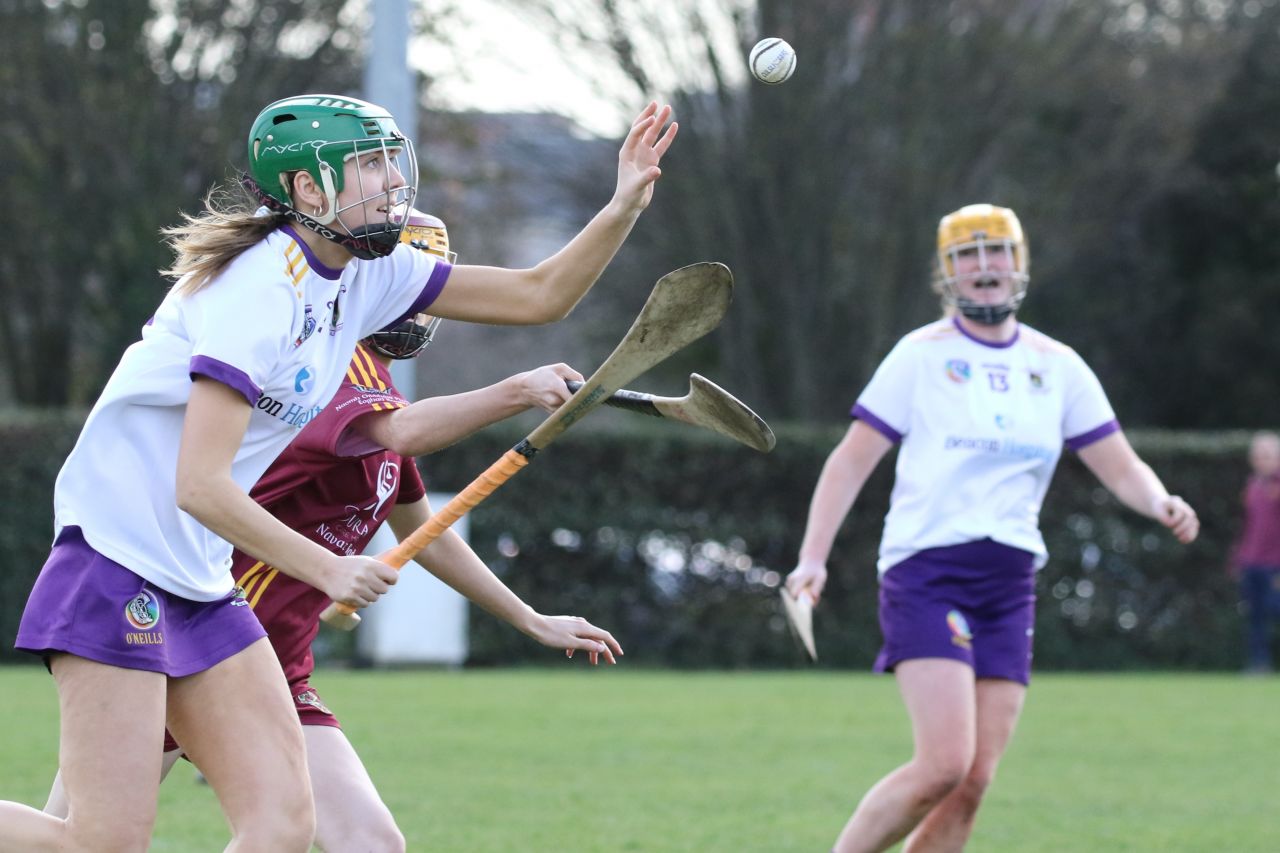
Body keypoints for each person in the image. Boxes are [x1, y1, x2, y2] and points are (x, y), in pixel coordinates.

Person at [2, 93, 675, 852]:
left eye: (392, 162)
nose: (391, 182)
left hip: (200, 577)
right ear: (307, 191)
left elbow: (538, 294)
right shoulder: (255, 290)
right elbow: (200, 483)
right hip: (115, 565)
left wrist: (623, 202)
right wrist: (329, 569)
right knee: (100, 843)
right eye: (367, 167)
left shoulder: (364, 274)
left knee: (284, 826)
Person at [785, 203, 1199, 853]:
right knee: (944, 763)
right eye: (967, 256)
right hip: (928, 572)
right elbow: (851, 460)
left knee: (974, 779)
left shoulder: (1056, 364)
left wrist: (1160, 499)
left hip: (1010, 582)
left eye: (998, 252)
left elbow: (1119, 464)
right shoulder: (919, 356)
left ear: (1019, 265)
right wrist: (813, 557)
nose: (984, 266)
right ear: (946, 274)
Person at [1230, 430, 1280, 674]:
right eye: (1258, 456)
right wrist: (1239, 559)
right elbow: (1248, 526)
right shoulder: (1252, 486)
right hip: (1252, 562)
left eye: (1268, 455)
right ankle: (1259, 664)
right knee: (1256, 617)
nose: (1262, 460)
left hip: (1276, 563)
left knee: (1275, 608)